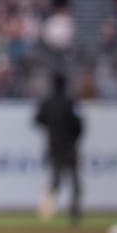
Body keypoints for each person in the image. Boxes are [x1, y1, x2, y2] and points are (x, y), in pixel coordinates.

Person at [34, 71, 83, 225]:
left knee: (55, 181)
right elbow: (79, 124)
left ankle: (45, 209)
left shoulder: (47, 102)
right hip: (69, 147)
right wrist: (74, 137)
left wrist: (52, 127)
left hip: (54, 146)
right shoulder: (70, 102)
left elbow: (38, 119)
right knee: (74, 182)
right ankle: (74, 211)